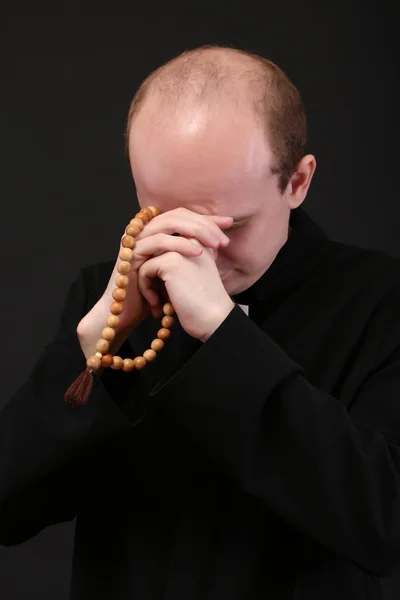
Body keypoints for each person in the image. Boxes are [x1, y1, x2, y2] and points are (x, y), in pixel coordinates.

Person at [1, 44, 399, 600]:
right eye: (160, 216)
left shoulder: (379, 298)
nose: (196, 254)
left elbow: (383, 523)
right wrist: (92, 350)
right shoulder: (105, 294)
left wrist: (223, 334)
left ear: (299, 182)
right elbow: (9, 509)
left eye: (228, 226)